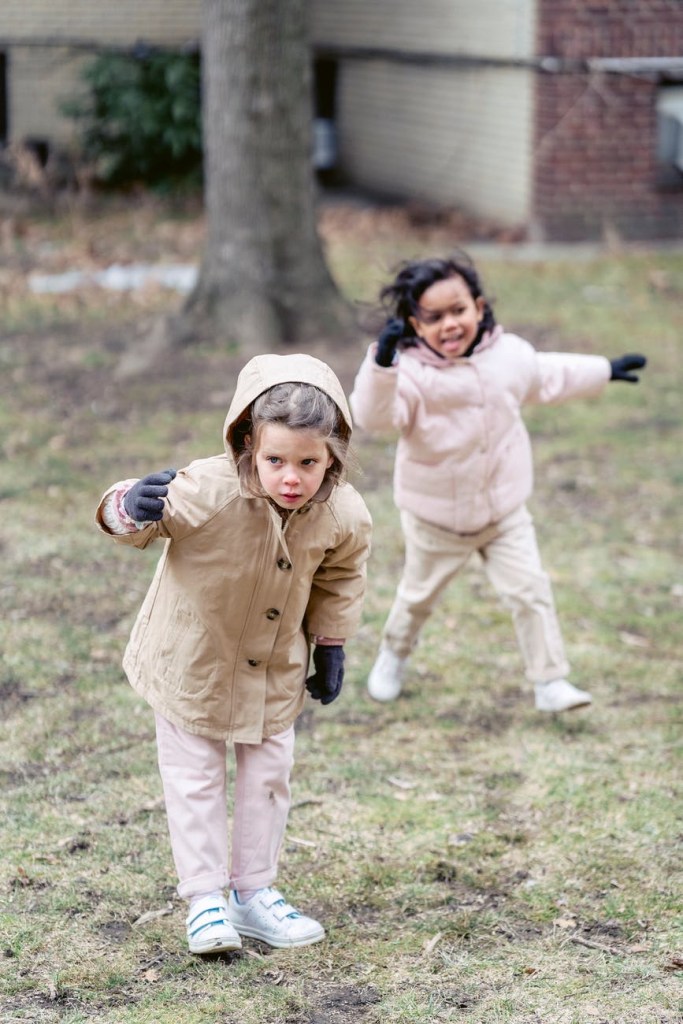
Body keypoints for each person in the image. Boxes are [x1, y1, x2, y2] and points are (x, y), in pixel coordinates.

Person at [96, 353, 372, 955]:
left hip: (273, 669)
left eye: (308, 461)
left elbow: (342, 577)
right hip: (189, 662)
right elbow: (140, 521)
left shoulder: (342, 512)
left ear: (334, 454)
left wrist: (331, 644)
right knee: (195, 778)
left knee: (269, 776)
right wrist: (127, 503)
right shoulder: (208, 489)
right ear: (248, 443)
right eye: (275, 460)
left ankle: (253, 894)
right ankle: (205, 901)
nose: (291, 477)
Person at [349, 253, 646, 713]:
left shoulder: (508, 356)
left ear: (480, 307)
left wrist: (603, 369)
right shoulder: (410, 373)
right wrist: (382, 365)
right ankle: (392, 656)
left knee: (530, 590)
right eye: (434, 317)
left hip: (504, 512)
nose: (450, 324)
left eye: (459, 310)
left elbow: (549, 375)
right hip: (437, 519)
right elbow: (375, 418)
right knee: (417, 598)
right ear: (415, 324)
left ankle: (550, 682)